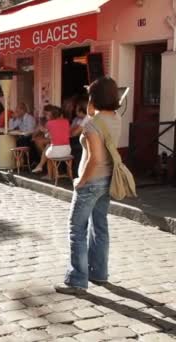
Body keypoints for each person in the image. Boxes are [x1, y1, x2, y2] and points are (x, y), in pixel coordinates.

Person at [55, 77, 122, 294]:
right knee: (100, 227)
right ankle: (99, 273)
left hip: (90, 181)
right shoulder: (116, 118)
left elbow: (94, 158)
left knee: (77, 229)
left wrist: (80, 181)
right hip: (107, 179)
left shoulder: (92, 124)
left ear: (95, 97)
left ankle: (77, 279)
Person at [32, 105, 71, 176]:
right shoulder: (66, 121)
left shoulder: (49, 123)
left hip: (55, 151)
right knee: (48, 146)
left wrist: (41, 129)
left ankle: (48, 174)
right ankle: (41, 166)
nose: (45, 116)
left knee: (48, 152)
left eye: (47, 114)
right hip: (67, 150)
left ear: (51, 115)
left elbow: (47, 135)